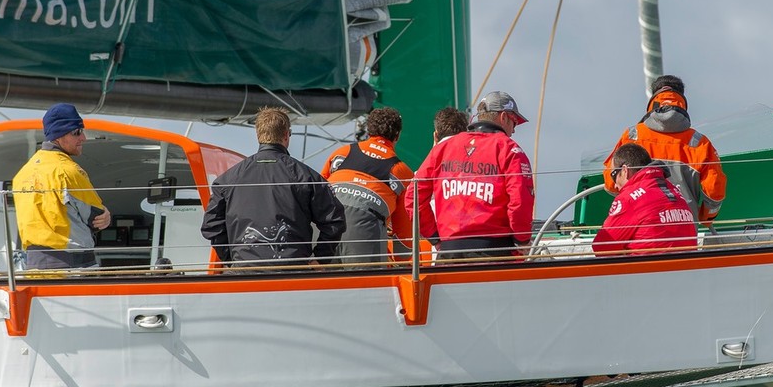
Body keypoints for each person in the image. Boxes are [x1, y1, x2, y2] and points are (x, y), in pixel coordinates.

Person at [201, 107, 345, 269]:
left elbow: (211, 226)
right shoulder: (307, 177)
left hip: (245, 269)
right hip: (294, 270)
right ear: (286, 135)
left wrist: (231, 259)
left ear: (259, 135)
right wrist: (320, 258)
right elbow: (334, 220)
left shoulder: (227, 180)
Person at [406, 91, 534, 261]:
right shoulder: (509, 149)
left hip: (449, 251)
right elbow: (520, 200)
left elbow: (413, 198)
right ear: (503, 117)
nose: (513, 131)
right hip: (495, 251)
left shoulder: (443, 149)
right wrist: (522, 240)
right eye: (514, 123)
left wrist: (435, 237)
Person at [603, 75, 726, 224]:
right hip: (683, 226)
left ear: (654, 98)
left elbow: (611, 183)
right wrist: (706, 218)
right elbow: (714, 191)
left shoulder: (632, 135)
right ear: (682, 100)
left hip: (642, 224)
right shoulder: (699, 142)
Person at [12, 103, 111, 270]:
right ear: (59, 135)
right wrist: (106, 214)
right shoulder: (68, 171)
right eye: (77, 132)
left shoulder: (22, 174)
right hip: (74, 266)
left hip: (34, 266)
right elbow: (96, 219)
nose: (83, 138)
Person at [322, 107, 414, 264]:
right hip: (364, 230)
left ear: (369, 130)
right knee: (367, 286)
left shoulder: (342, 153)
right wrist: (402, 257)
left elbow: (317, 189)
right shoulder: (402, 172)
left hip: (325, 222)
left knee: (322, 285)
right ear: (397, 136)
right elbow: (404, 227)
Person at [593, 144, 697, 255]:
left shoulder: (628, 199)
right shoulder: (674, 190)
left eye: (613, 175)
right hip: (689, 267)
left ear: (625, 171)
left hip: (648, 269)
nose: (615, 186)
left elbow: (601, 247)